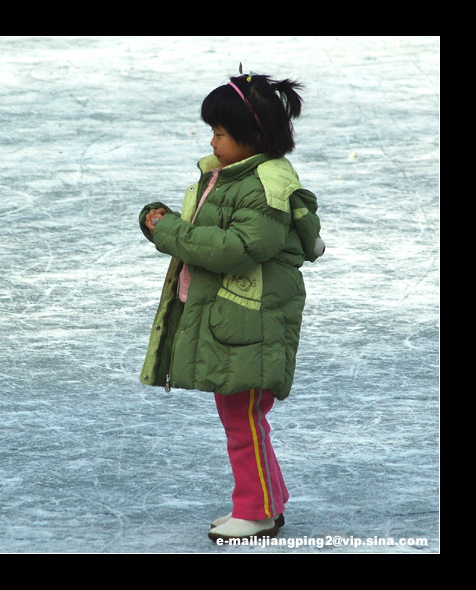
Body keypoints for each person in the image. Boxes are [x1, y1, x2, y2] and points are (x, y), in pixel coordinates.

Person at [138, 71, 325, 542]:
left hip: (249, 324)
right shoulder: (234, 176)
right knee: (244, 421)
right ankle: (267, 503)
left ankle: (257, 510)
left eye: (220, 132)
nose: (213, 141)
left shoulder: (264, 186)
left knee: (243, 424)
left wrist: (169, 233)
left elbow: (237, 248)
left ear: (253, 135)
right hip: (237, 321)